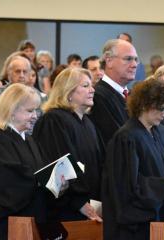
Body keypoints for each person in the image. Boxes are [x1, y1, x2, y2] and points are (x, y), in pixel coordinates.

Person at [102, 79, 164, 240]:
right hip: (141, 227)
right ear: (144, 105)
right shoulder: (126, 138)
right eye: (162, 109)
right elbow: (124, 186)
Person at [0, 83, 46, 240]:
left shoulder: (29, 140)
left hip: (27, 226)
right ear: (11, 111)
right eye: (30, 111)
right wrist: (43, 180)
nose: (35, 116)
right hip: (1, 230)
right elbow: (7, 186)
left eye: (36, 110)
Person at [33, 68, 102, 222]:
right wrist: (78, 202)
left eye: (92, 85)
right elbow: (56, 169)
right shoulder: (54, 120)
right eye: (85, 86)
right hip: (64, 210)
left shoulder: (87, 123)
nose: (92, 90)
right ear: (68, 92)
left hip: (89, 206)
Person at [89, 39, 138, 145]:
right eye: (128, 59)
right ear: (109, 61)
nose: (134, 64)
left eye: (136, 59)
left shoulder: (132, 96)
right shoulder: (97, 96)